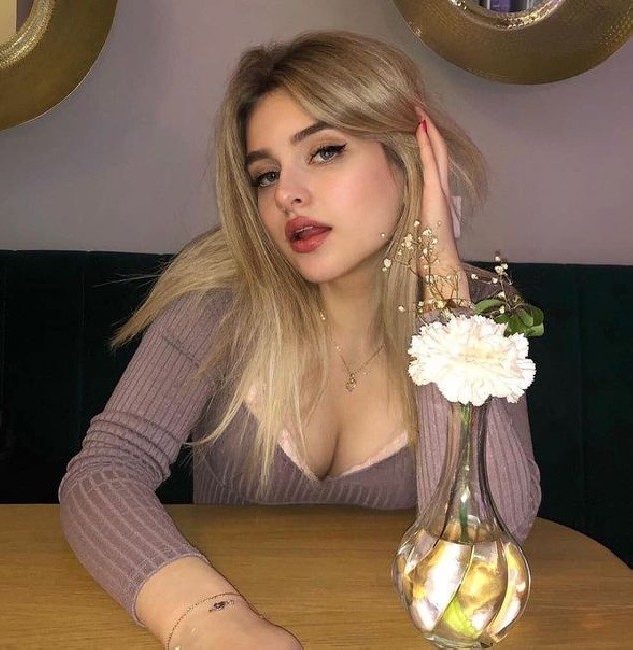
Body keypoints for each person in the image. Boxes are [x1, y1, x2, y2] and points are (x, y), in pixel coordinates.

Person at [59, 30, 541, 649]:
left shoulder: (479, 309)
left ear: (408, 160)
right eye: (266, 176)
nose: (287, 194)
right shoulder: (217, 303)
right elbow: (104, 470)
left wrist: (442, 286)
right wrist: (205, 619)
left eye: (325, 151)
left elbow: (498, 528)